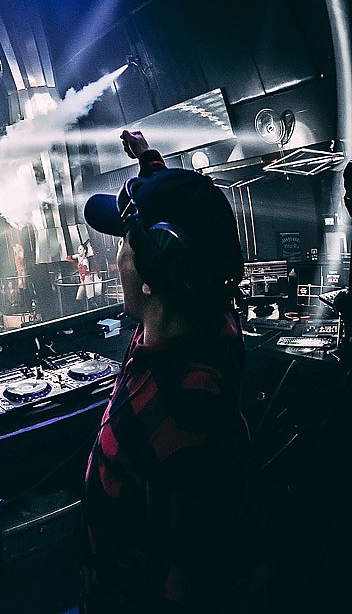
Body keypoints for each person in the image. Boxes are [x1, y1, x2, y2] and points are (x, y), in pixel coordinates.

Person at [79, 130, 250, 613]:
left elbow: (184, 591)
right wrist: (149, 161)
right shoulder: (195, 320)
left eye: (125, 243)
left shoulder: (186, 419)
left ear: (155, 270)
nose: (116, 260)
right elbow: (195, 216)